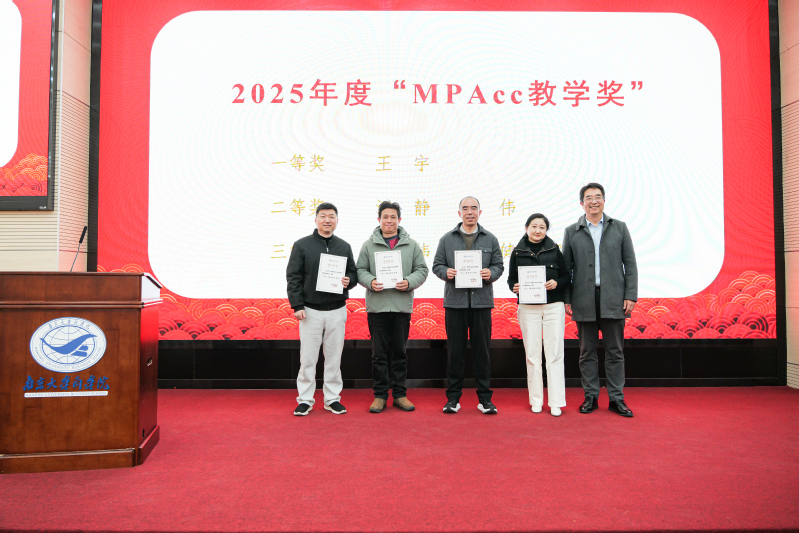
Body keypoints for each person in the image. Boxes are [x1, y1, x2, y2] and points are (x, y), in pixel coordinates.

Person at [562, 183, 638, 417]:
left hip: (613, 298)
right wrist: (567, 298)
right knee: (587, 352)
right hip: (583, 298)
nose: (593, 201)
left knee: (615, 351)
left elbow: (630, 264)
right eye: (589, 198)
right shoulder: (572, 231)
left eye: (598, 197)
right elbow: (566, 269)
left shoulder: (620, 228)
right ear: (582, 203)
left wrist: (630, 295)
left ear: (604, 200)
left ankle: (616, 398)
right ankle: (591, 396)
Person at [432, 196, 504, 414]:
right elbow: (437, 265)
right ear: (459, 213)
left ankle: (485, 399)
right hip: (455, 303)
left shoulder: (490, 238)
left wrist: (491, 273)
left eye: (474, 208)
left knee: (483, 353)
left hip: (482, 303)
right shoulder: (447, 239)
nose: (469, 212)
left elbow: (499, 265)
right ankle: (453, 398)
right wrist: (446, 272)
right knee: (455, 353)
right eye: (465, 208)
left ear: (480, 212)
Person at [286, 202, 358, 416]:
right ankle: (305, 400)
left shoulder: (344, 246)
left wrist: (349, 280)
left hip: (337, 309)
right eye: (323, 216)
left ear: (337, 220)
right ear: (316, 219)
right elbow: (293, 277)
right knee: (308, 359)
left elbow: (353, 273)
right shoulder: (302, 245)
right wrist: (297, 305)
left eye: (332, 216)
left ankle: (332, 399)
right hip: (310, 310)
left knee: (334, 359)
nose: (328, 220)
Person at [356, 201, 429, 413]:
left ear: (399, 220)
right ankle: (379, 396)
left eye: (393, 217)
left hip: (401, 306)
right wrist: (370, 281)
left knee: (400, 353)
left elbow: (422, 270)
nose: (389, 220)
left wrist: (409, 281)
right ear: (379, 220)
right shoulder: (368, 245)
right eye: (385, 217)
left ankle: (399, 395)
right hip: (377, 308)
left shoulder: (411, 245)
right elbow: (359, 270)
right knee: (378, 354)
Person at [508, 213, 571, 416]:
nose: (537, 230)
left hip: (553, 306)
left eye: (542, 227)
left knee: (555, 354)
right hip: (528, 307)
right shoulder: (517, 251)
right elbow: (511, 279)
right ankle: (536, 400)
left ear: (546, 230)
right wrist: (514, 287)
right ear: (526, 228)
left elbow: (566, 276)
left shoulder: (554, 249)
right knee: (532, 355)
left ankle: (556, 402)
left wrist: (556, 283)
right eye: (534, 226)